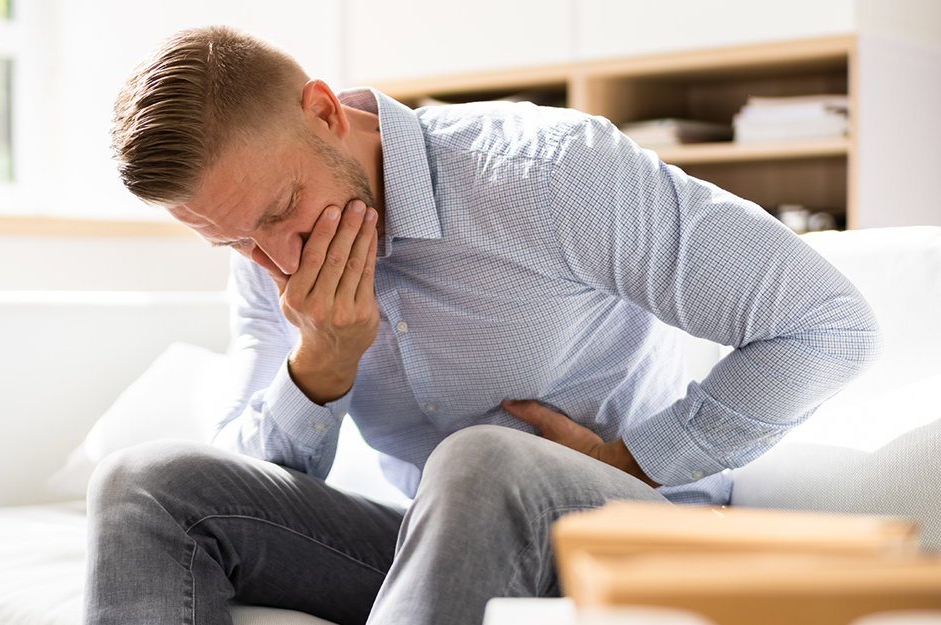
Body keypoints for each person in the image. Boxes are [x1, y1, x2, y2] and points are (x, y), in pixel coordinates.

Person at [88, 25, 882, 625]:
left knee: (478, 459)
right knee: (143, 483)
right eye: (232, 241)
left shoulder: (546, 172)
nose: (276, 259)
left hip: (630, 532)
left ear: (325, 112)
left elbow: (826, 323)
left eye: (282, 212)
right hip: (435, 545)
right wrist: (319, 370)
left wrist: (638, 461)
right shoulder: (265, 255)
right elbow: (244, 469)